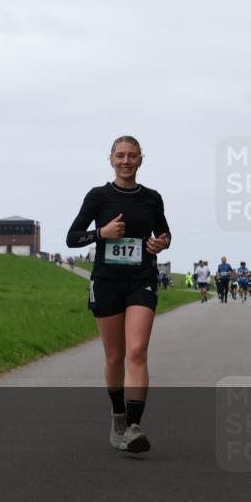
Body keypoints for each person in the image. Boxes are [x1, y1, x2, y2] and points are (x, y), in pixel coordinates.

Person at [65, 135, 170, 454]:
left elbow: (164, 233)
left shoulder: (152, 198)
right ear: (111, 159)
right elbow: (72, 238)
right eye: (121, 155)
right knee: (114, 356)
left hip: (142, 279)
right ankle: (118, 416)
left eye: (132, 156)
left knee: (137, 351)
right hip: (107, 281)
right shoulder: (98, 196)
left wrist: (161, 243)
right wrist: (102, 233)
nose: (126, 161)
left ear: (140, 160)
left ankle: (134, 427)